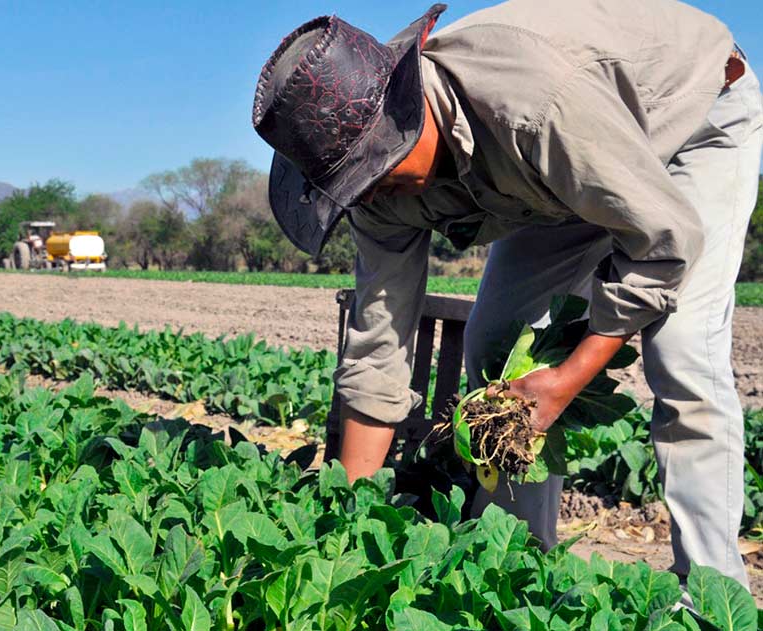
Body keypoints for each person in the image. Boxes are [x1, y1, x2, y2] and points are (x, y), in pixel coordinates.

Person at [252, 1, 762, 588]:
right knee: (498, 346)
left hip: (692, 120)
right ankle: (517, 569)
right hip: (565, 172)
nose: (376, 192)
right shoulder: (370, 188)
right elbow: (379, 345)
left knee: (682, 353)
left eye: (380, 170)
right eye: (356, 182)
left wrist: (568, 379)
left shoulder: (534, 105)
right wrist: (343, 537)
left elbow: (661, 244)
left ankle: (713, 595)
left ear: (408, 108)